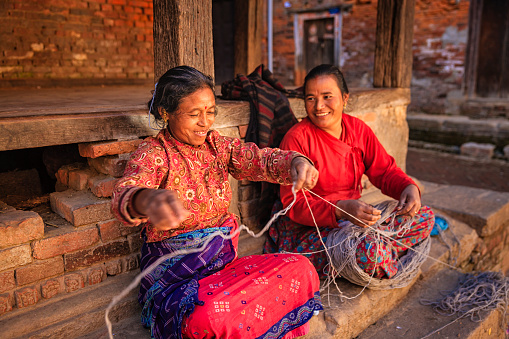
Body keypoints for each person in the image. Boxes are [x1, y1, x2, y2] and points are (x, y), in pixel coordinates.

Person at [111, 66, 323, 339]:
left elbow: (258, 158)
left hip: (224, 272)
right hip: (182, 285)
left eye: (210, 112)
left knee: (301, 269)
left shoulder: (217, 146)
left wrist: (295, 161)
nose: (205, 123)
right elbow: (125, 191)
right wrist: (146, 198)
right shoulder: (154, 153)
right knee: (210, 315)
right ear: (166, 113)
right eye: (194, 114)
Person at [264, 64, 435, 280]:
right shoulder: (297, 139)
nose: (319, 106)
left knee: (424, 216)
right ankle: (379, 255)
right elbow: (294, 204)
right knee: (368, 252)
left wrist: (407, 187)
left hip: (355, 221)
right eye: (310, 98)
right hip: (312, 230)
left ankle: (379, 254)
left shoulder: (358, 130)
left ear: (345, 98)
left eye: (327, 96)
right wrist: (340, 209)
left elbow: (384, 171)